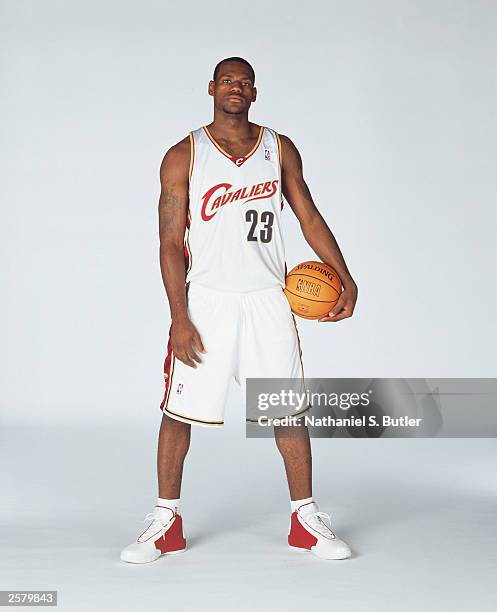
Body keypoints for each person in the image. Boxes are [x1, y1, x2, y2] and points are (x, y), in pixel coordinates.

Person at [121, 57, 358, 563]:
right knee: (179, 412)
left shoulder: (278, 148)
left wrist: (345, 275)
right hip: (206, 300)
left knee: (286, 410)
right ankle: (166, 521)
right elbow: (168, 243)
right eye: (228, 80)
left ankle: (305, 520)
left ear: (256, 93)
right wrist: (179, 316)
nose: (237, 88)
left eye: (245, 82)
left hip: (269, 298)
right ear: (211, 88)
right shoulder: (183, 154)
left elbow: (309, 215)